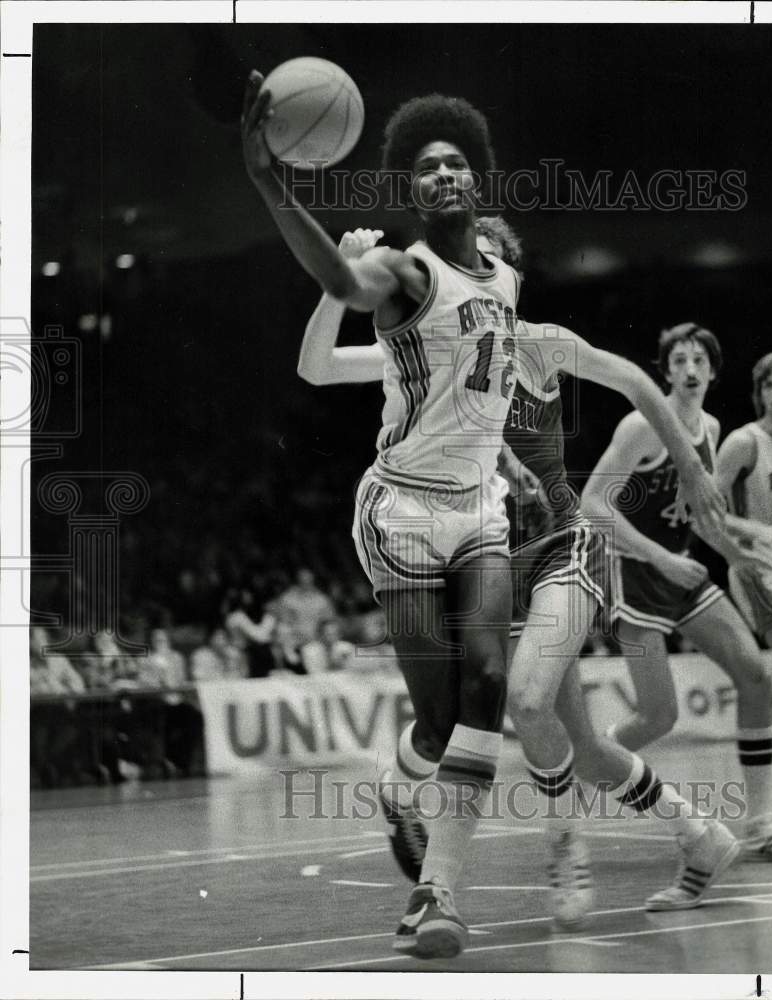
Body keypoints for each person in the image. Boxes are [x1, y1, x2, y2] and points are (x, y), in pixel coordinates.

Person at [298, 219, 737, 920]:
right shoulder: (432, 349)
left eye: (489, 261)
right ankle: (701, 834)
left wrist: (688, 459)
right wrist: (339, 276)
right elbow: (318, 367)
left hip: (565, 548)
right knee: (586, 749)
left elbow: (632, 380)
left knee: (525, 702)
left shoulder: (538, 343)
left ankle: (563, 849)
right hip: (493, 554)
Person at [243, 80, 524, 958]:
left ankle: (436, 894)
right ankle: (403, 786)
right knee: (439, 723)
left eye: (455, 164)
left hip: (479, 507)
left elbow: (487, 392)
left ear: (477, 181)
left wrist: (514, 461)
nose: (442, 175)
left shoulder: (507, 276)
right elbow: (334, 287)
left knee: (488, 684)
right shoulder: (405, 271)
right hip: (400, 512)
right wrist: (270, 182)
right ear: (414, 192)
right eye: (426, 168)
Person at [581, 323, 772, 862]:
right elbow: (593, 503)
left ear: (714, 371)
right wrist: (661, 557)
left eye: (699, 360)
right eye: (679, 361)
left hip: (683, 571)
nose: (690, 370)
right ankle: (579, 770)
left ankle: (762, 825)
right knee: (658, 718)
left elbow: (700, 510)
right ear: (664, 372)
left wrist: (737, 552)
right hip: (634, 575)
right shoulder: (641, 426)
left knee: (757, 677)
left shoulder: (712, 427)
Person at [715, 353, 772, 758]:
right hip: (757, 567)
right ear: (759, 394)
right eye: (769, 384)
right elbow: (702, 509)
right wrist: (754, 529)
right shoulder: (744, 442)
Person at [277, 568, 336, 647]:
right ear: (298, 581)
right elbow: (284, 620)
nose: (306, 582)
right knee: (282, 629)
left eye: (309, 579)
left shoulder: (321, 599)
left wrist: (318, 635)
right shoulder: (288, 598)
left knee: (331, 629)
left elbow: (329, 619)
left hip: (317, 637)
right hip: (296, 637)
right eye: (303, 579)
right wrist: (299, 634)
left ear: (313, 580)